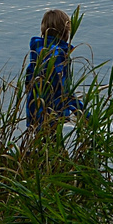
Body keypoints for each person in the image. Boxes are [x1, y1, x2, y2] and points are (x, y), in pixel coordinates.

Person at [25, 8, 82, 136]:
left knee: (39, 149)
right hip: (53, 118)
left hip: (34, 115)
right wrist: (83, 114)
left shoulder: (37, 51)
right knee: (55, 152)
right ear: (66, 32)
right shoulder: (59, 56)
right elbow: (65, 94)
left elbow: (28, 82)